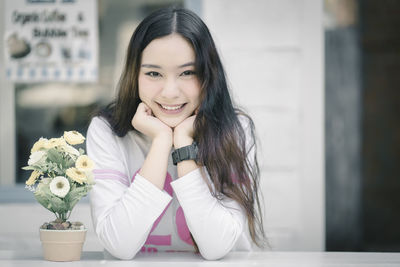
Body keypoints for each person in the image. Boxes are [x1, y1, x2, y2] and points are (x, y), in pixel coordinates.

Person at [86, 6, 266, 260]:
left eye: (187, 73)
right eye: (153, 73)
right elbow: (120, 245)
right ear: (134, 75)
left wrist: (183, 145)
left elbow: (216, 247)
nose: (170, 92)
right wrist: (161, 141)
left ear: (208, 75)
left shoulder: (234, 129)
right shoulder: (107, 131)